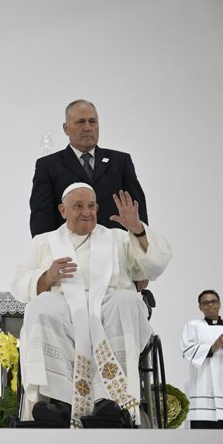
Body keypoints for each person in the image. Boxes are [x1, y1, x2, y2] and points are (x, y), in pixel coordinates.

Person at [11, 182, 172, 428]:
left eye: (91, 206)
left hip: (108, 304)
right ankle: (59, 402)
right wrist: (47, 277)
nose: (86, 212)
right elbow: (19, 283)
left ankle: (111, 401)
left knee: (125, 301)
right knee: (41, 308)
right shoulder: (44, 242)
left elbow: (153, 267)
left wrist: (136, 228)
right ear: (63, 211)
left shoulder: (118, 237)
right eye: (78, 206)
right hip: (64, 307)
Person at [29, 100, 149, 237]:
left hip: (115, 251)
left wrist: (141, 242)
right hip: (69, 252)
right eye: (80, 122)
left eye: (92, 121)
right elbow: (41, 217)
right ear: (65, 128)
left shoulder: (120, 162)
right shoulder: (48, 166)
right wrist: (48, 254)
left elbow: (138, 213)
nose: (88, 127)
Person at [181, 289, 223, 429]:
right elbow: (187, 349)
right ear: (200, 307)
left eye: (213, 302)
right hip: (203, 384)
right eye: (206, 303)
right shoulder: (194, 326)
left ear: (219, 304)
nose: (210, 305)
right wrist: (212, 347)